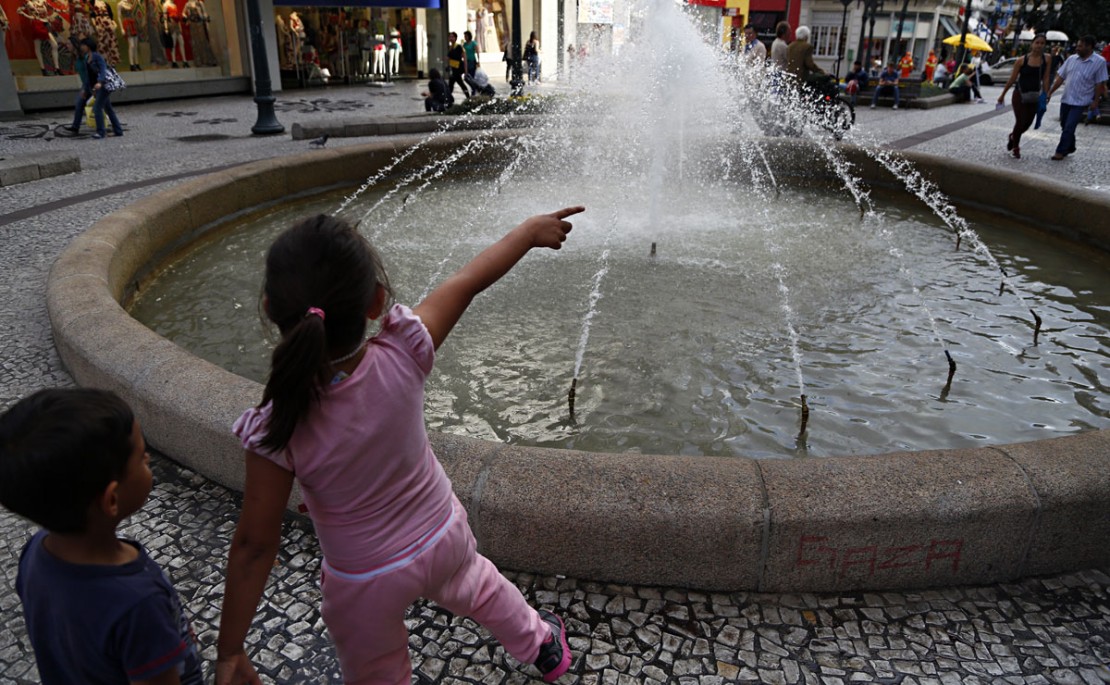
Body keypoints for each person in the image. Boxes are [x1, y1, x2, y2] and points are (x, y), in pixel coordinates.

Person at [214, 208, 586, 685]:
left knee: (376, 671)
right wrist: (528, 233)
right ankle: (542, 645)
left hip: (362, 578)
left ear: (269, 307)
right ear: (376, 301)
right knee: (483, 587)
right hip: (441, 533)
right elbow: (469, 280)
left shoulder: (276, 425)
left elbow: (253, 545)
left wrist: (229, 650)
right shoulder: (405, 350)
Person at [0, 388, 204, 684]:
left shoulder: (36, 552)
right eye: (141, 456)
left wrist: (169, 631)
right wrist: (157, 631)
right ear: (111, 500)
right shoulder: (137, 604)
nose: (147, 456)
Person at [1046, 35, 1108, 161]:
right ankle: (1071, 146)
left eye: (1080, 46)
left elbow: (1099, 84)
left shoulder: (1099, 62)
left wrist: (1095, 101)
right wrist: (1050, 92)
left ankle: (1060, 151)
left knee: (1069, 126)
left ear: (1089, 47)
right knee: (1065, 125)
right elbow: (1061, 78)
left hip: (1081, 101)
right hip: (1066, 99)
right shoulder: (1071, 59)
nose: (1077, 48)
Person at [997, 32, 1053, 159]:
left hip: (1034, 95)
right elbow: (1012, 79)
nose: (1039, 46)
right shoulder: (1021, 60)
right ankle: (1016, 147)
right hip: (1019, 94)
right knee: (1020, 121)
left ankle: (1013, 136)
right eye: (1037, 43)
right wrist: (1002, 95)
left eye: (1042, 43)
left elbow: (1045, 78)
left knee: (1028, 123)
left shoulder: (1047, 59)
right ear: (1032, 44)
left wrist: (1046, 93)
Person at [80, 37, 123, 139]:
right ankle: (118, 130)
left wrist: (100, 82)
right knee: (108, 109)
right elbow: (88, 76)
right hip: (96, 87)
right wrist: (86, 89)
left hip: (103, 86)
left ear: (88, 46)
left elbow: (103, 69)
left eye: (83, 45)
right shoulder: (87, 57)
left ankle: (101, 132)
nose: (81, 47)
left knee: (97, 108)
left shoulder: (97, 57)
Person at [64, 31, 91, 134]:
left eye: (68, 44)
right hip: (86, 84)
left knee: (102, 106)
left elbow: (89, 72)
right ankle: (75, 127)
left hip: (91, 84)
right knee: (80, 104)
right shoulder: (75, 57)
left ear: (74, 45)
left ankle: (109, 127)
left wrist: (86, 88)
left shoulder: (83, 58)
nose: (67, 46)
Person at [446, 31, 470, 98]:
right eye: (450, 37)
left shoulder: (458, 46)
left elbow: (464, 58)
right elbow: (449, 58)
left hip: (458, 69)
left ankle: (468, 97)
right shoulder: (450, 47)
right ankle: (448, 98)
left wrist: (466, 70)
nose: (451, 38)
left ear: (455, 38)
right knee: (452, 84)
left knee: (459, 83)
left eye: (452, 37)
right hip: (453, 69)